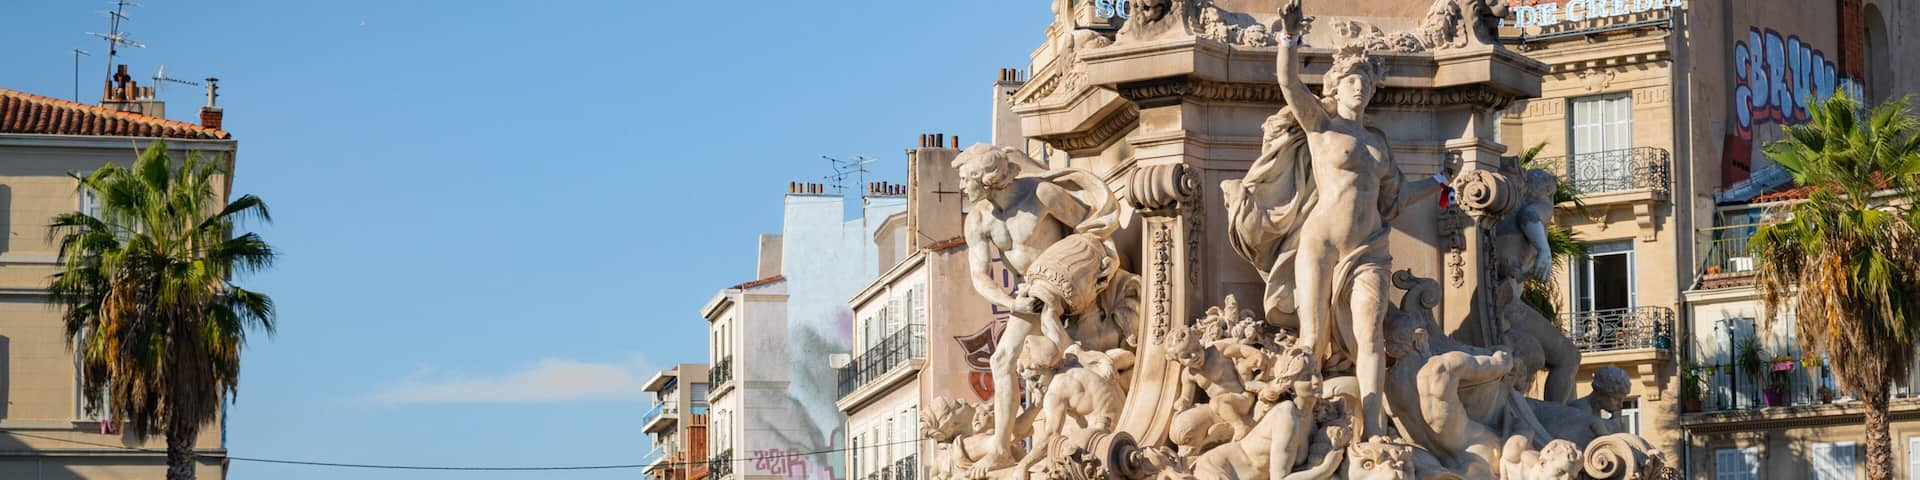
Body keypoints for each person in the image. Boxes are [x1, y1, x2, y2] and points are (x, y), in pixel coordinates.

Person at [952, 143, 1120, 470]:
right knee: (1002, 360)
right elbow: (978, 275)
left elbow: (1089, 230)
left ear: (987, 178)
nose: (960, 186)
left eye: (964, 179)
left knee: (1053, 357)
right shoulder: (978, 220)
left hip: (1069, 286)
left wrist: (1086, 277)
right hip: (1029, 296)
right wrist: (1011, 300)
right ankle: (1000, 447)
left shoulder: (1041, 194)